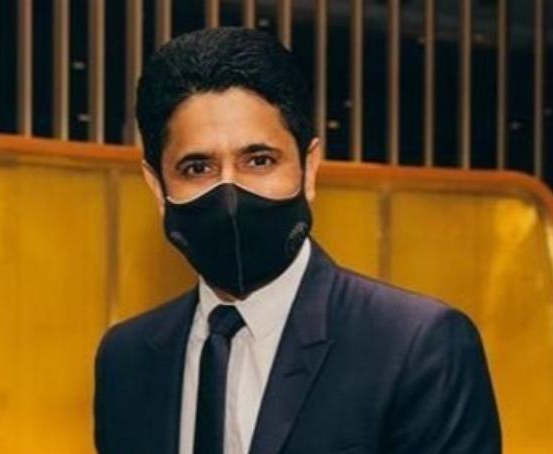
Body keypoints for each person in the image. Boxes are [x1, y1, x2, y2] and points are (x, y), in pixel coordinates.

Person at [93, 28, 500, 454]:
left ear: (309, 169)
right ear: (157, 187)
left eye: (259, 160)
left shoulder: (418, 345)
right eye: (198, 168)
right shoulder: (127, 360)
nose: (230, 194)